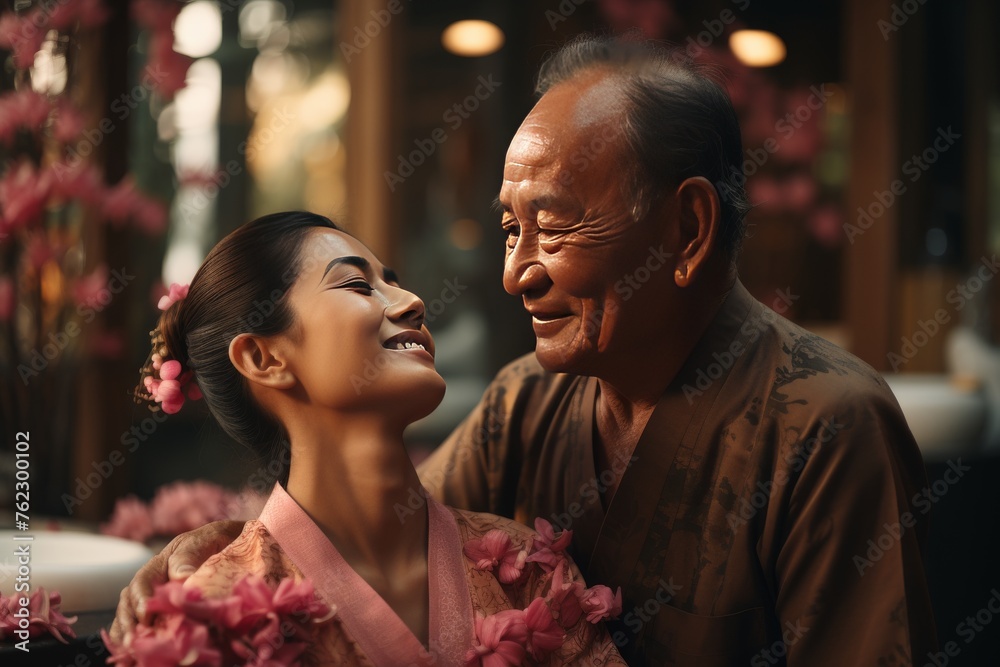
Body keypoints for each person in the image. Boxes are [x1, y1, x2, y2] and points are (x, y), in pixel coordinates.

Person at [113, 36, 937, 666]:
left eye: (555, 225)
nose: (516, 275)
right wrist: (215, 563)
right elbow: (371, 537)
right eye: (512, 230)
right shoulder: (529, 404)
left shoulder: (827, 427)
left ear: (686, 229)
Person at [104, 212, 626, 666]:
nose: (414, 301)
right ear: (264, 358)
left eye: (392, 280)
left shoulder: (528, 571)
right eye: (357, 285)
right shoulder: (217, 616)